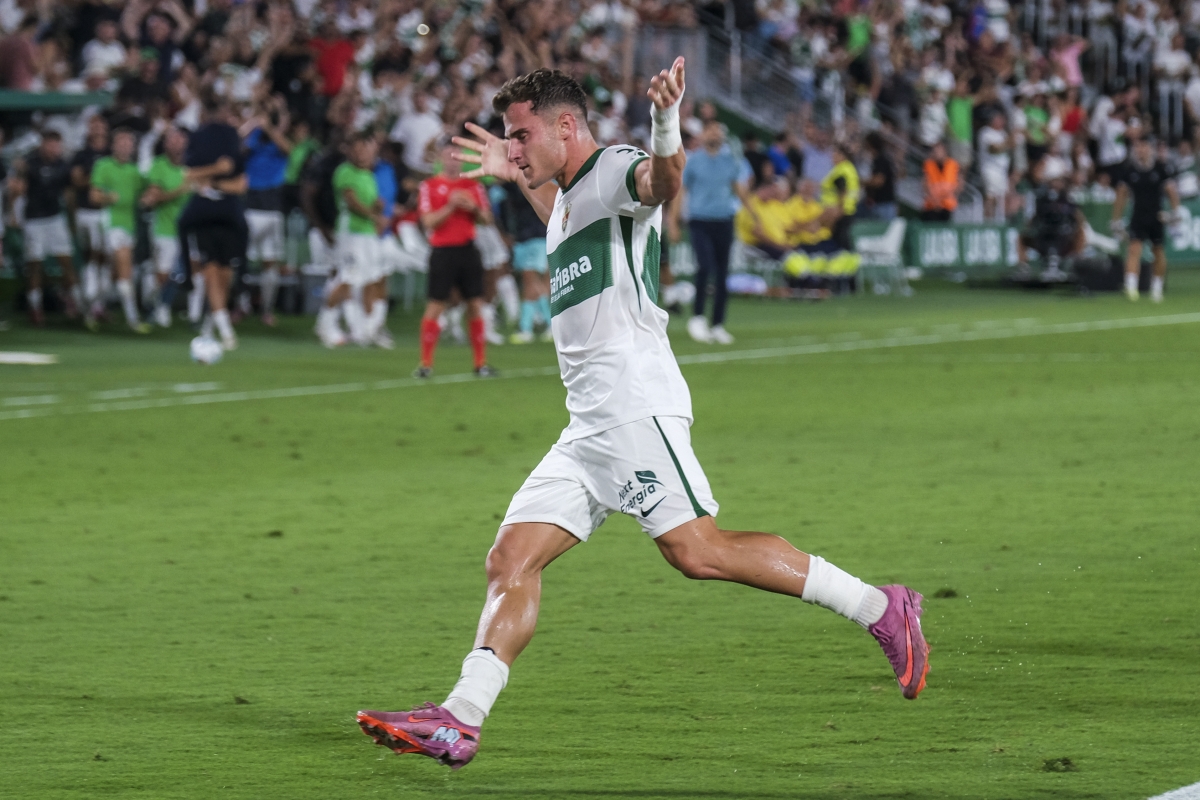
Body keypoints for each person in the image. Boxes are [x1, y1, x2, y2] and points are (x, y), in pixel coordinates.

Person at [356, 59, 929, 771]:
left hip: (634, 405)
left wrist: (664, 122)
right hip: (587, 426)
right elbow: (568, 218)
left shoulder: (615, 167)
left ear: (566, 127)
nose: (512, 145)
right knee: (509, 559)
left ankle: (882, 609)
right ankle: (460, 718)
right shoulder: (567, 199)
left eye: (520, 133)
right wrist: (520, 178)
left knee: (698, 551)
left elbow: (660, 183)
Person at [412, 139, 496, 378]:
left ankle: (481, 363)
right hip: (442, 251)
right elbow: (428, 222)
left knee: (475, 304)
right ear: (440, 158)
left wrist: (473, 208)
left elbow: (487, 220)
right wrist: (451, 206)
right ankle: (425, 364)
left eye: (456, 156)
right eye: (448, 155)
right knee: (435, 305)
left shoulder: (473, 186)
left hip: (468, 249)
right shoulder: (429, 186)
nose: (452, 160)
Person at [177, 96, 249, 350]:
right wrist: (216, 169)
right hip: (205, 214)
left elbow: (239, 183)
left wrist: (215, 180)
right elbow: (188, 175)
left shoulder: (231, 142)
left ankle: (212, 322)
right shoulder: (198, 142)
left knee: (225, 273)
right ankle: (227, 331)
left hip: (227, 213)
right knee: (210, 270)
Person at [678, 118, 752, 345]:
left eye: (718, 131)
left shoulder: (730, 160)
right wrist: (672, 221)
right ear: (703, 135)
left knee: (722, 274)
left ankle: (718, 324)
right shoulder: (693, 162)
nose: (714, 134)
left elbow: (738, 188)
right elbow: (681, 191)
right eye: (710, 130)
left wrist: (753, 214)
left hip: (724, 220)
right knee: (704, 266)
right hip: (700, 220)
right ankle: (698, 317)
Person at [315, 132, 388, 348]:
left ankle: (365, 328)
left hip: (366, 235)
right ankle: (325, 324)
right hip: (350, 234)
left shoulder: (368, 175)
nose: (361, 152)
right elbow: (351, 201)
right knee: (347, 278)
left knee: (368, 279)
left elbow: (371, 203)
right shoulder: (345, 172)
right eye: (356, 148)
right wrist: (374, 215)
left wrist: (378, 208)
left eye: (365, 148)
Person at [14, 131, 84, 327]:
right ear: (43, 144)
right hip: (33, 220)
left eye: (56, 145)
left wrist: (71, 220)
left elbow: (69, 193)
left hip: (55, 219)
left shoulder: (63, 166)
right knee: (34, 264)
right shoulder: (29, 163)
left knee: (66, 262)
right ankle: (35, 308)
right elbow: (19, 189)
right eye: (50, 144)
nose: (54, 149)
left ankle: (75, 304)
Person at [91, 128, 150, 333]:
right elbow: (94, 196)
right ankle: (133, 319)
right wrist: (109, 198)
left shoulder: (134, 172)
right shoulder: (103, 166)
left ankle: (93, 309)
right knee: (125, 269)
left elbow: (145, 193)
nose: (125, 147)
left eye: (128, 144)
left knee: (115, 274)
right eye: (121, 143)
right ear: (113, 146)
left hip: (129, 224)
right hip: (110, 223)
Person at [241, 98, 293, 326]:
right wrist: (252, 124)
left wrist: (269, 127)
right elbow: (238, 147)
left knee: (270, 262)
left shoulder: (278, 142)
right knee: (241, 259)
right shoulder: (252, 139)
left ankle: (266, 309)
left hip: (272, 207)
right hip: (250, 204)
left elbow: (287, 149)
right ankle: (240, 305)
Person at [1111, 136, 1181, 303]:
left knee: (1158, 252)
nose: (1141, 150)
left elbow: (1171, 191)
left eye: (1144, 147)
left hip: (1157, 216)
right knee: (1134, 249)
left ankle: (1157, 288)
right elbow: (1121, 194)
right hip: (1138, 216)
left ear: (1150, 149)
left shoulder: (1160, 168)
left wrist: (1175, 212)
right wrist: (1116, 219)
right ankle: (1131, 287)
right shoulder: (1130, 170)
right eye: (1138, 147)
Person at [140, 125, 192, 328]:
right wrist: (180, 190)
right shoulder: (158, 165)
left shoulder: (193, 165)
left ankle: (165, 307)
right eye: (171, 139)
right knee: (163, 275)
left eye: (179, 139)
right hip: (164, 227)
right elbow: (152, 198)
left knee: (183, 273)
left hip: (189, 229)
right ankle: (150, 300)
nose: (175, 143)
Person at [498, 178, 552, 344]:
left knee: (531, 280)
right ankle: (550, 325)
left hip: (535, 237)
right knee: (536, 281)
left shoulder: (532, 183)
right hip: (524, 238)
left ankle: (526, 328)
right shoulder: (512, 186)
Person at [71, 116, 111, 325]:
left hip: (108, 211)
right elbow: (77, 180)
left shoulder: (111, 153)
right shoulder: (82, 154)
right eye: (94, 124)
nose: (98, 128)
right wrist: (101, 179)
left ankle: (97, 303)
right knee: (90, 256)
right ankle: (87, 302)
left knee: (104, 257)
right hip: (86, 210)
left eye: (101, 124)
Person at [978, 111, 1011, 221]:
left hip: (1002, 171)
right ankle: (988, 220)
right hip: (990, 169)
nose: (1002, 122)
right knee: (990, 196)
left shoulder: (1002, 133)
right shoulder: (985, 133)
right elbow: (994, 149)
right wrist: (1010, 140)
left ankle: (999, 220)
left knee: (1001, 197)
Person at [921, 141, 961, 222]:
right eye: (935, 151)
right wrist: (935, 200)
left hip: (947, 205)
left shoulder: (952, 164)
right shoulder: (929, 164)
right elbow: (925, 183)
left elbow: (958, 184)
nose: (937, 153)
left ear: (945, 151)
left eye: (939, 150)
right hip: (932, 205)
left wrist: (944, 196)